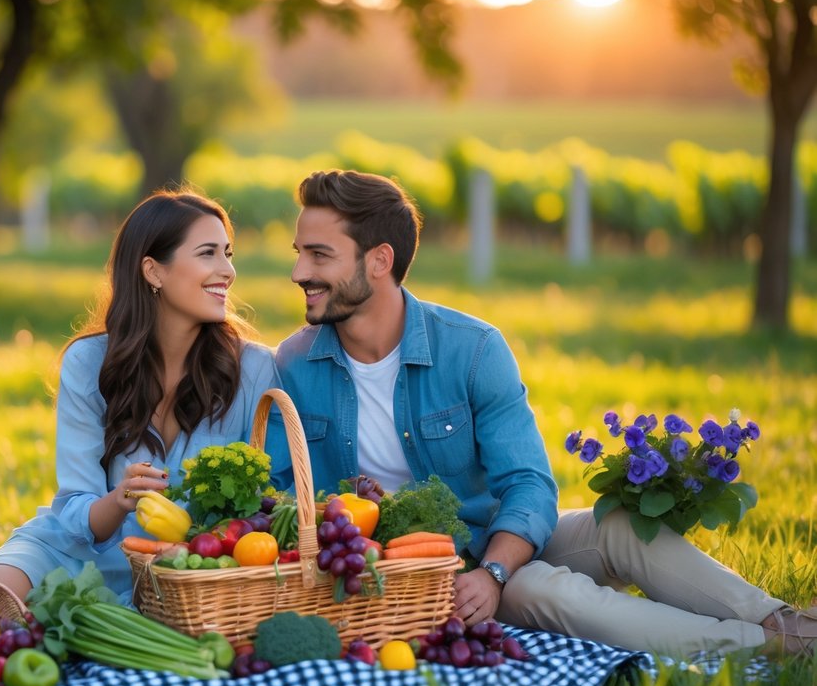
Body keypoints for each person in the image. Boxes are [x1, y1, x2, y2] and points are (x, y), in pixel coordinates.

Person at [268, 168, 816, 659]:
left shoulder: (472, 349)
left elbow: (529, 483)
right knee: (546, 591)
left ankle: (786, 623)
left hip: (498, 544)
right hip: (423, 573)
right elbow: (280, 493)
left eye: (318, 254)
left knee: (617, 525)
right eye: (299, 251)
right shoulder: (293, 363)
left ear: (379, 260)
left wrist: (496, 569)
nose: (298, 271)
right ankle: (757, 649)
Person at [0, 190, 280, 608]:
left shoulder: (255, 369)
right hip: (87, 551)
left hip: (195, 568)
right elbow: (75, 510)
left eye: (228, 254)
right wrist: (118, 501)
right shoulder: (89, 362)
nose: (227, 270)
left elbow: (268, 503)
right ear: (153, 271)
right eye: (208, 253)